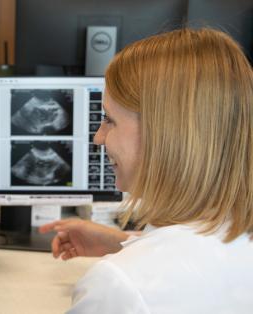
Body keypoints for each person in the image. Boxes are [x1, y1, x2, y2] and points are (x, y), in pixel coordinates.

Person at [40, 28, 253, 313]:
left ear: (164, 133)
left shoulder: (119, 287)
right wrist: (122, 243)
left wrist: (130, 261)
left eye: (109, 119)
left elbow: (152, 279)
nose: (98, 137)